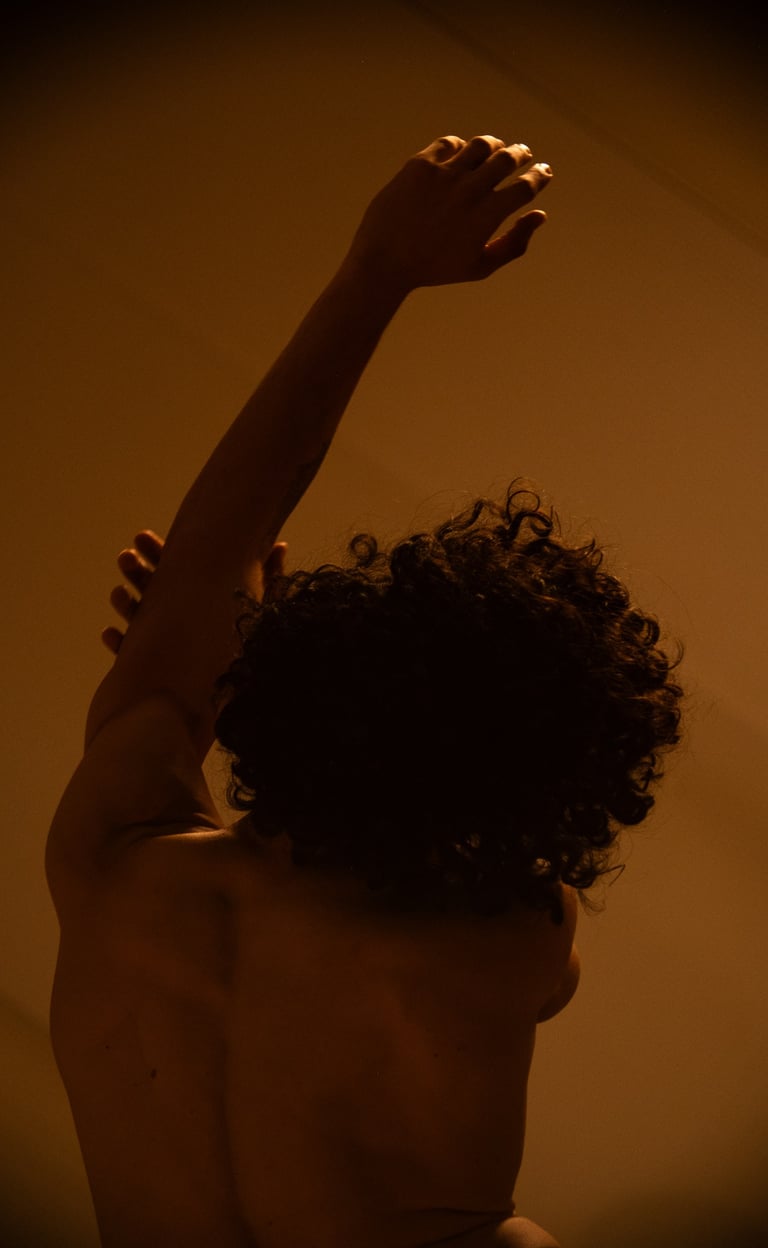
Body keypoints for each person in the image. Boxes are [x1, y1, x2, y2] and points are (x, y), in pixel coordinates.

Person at [46, 134, 683, 1248]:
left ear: (291, 683)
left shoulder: (117, 856)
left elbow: (212, 549)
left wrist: (372, 275)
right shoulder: (515, 933)